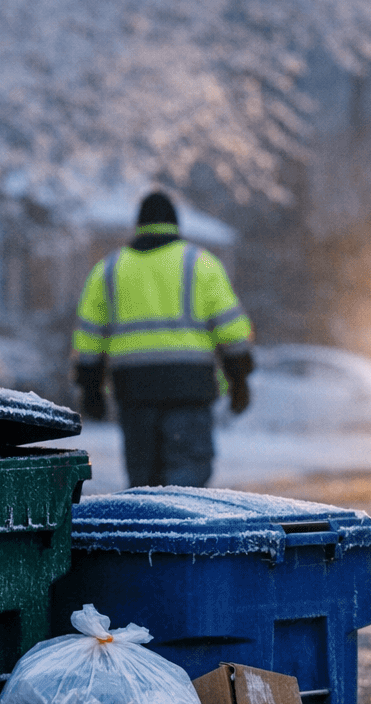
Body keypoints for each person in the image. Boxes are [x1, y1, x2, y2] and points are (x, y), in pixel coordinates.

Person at [72, 191, 254, 487]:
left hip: (134, 394)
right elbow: (233, 332)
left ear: (139, 224)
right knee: (188, 489)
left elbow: (88, 340)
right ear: (175, 224)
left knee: (144, 487)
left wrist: (91, 391)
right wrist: (240, 382)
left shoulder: (108, 270)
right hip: (190, 392)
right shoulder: (201, 264)